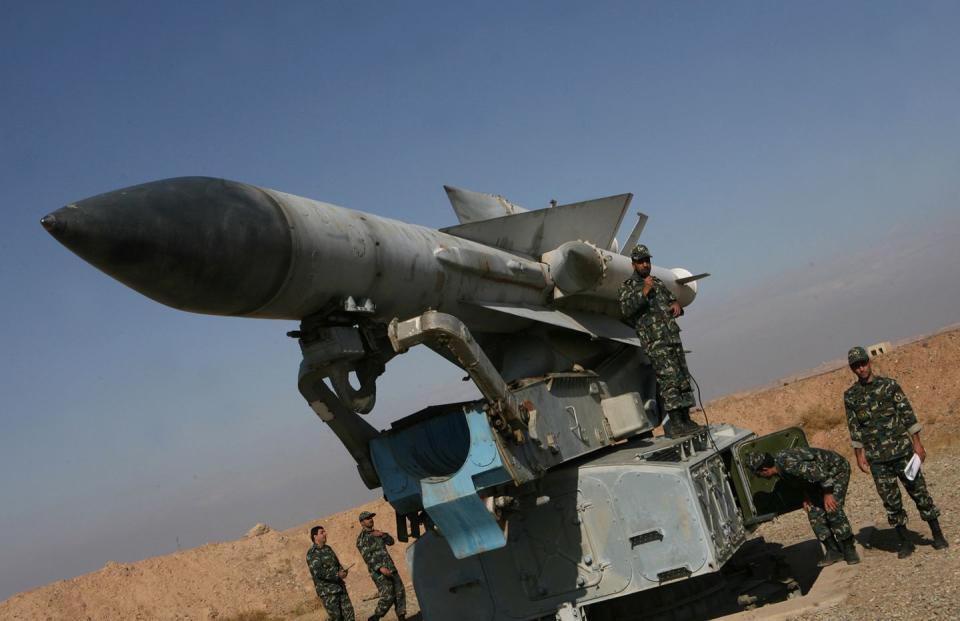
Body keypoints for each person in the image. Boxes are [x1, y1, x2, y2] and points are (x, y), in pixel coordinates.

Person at [843, 346, 948, 558]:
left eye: (863, 363)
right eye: (856, 366)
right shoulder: (851, 396)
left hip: (903, 453)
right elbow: (854, 427)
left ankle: (937, 535)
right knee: (891, 502)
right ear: (852, 369)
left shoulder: (889, 386)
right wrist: (859, 455)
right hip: (878, 459)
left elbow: (907, 413)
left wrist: (917, 445)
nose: (861, 369)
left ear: (869, 362)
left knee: (920, 492)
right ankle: (905, 543)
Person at [618, 244, 702, 437]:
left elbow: (672, 302)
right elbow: (626, 310)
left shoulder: (657, 282)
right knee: (668, 380)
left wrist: (676, 306)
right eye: (640, 262)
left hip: (672, 338)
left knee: (682, 377)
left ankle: (686, 418)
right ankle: (675, 422)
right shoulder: (628, 288)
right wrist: (644, 292)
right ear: (633, 264)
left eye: (647, 261)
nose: (645, 264)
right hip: (656, 343)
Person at [745, 447, 861, 565]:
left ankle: (849, 548)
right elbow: (802, 479)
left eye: (759, 474)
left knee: (832, 508)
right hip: (818, 480)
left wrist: (828, 493)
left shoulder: (788, 464)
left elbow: (821, 473)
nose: (761, 477)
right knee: (814, 513)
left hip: (835, 471)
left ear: (765, 470)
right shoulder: (780, 468)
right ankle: (833, 551)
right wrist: (807, 496)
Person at [356, 511, 406, 621]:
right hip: (378, 572)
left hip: (390, 567)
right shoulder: (361, 539)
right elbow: (367, 557)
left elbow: (391, 542)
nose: (370, 519)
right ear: (362, 522)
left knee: (400, 592)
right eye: (367, 518)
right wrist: (380, 568)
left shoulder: (377, 533)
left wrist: (383, 534)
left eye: (371, 517)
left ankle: (402, 617)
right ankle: (375, 617)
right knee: (388, 595)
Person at [306, 525, 355, 621]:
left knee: (349, 615)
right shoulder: (312, 553)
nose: (325, 534)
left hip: (340, 588)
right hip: (328, 592)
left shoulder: (328, 549)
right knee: (336, 618)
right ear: (315, 536)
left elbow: (337, 564)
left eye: (325, 532)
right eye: (322, 532)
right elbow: (318, 572)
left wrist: (342, 571)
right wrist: (337, 575)